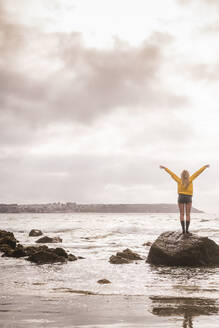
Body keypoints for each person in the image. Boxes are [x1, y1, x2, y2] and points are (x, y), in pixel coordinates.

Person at [160, 164, 210, 234]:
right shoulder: (191, 179)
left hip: (181, 197)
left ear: (181, 175)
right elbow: (198, 173)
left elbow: (172, 174)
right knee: (188, 214)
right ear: (188, 175)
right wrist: (204, 167)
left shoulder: (179, 180)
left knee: (181, 214)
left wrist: (165, 168)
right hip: (188, 198)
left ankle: (183, 230)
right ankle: (187, 230)